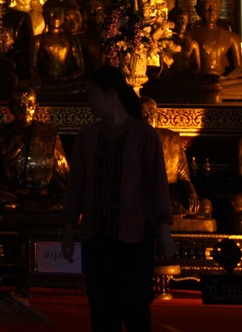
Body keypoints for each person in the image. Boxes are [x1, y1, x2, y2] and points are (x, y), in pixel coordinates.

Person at [61, 67, 176, 332]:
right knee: (102, 309)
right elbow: (76, 184)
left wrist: (164, 230)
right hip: (96, 235)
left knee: (134, 308)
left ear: (111, 94)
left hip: (133, 235)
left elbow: (157, 185)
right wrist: (68, 227)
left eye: (92, 94)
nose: (89, 101)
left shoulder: (144, 136)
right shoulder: (87, 137)